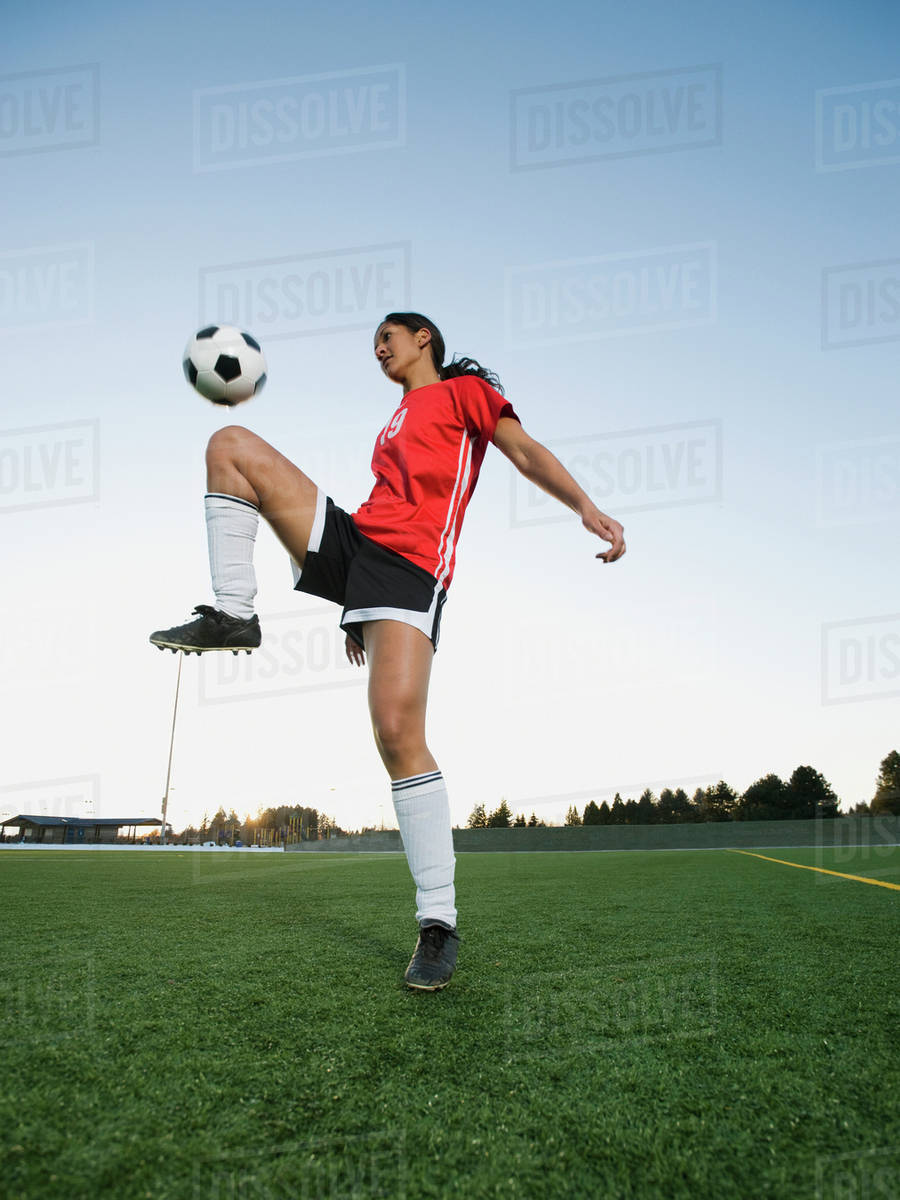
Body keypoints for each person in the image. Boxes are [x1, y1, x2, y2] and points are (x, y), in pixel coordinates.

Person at [150, 312, 626, 991]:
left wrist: (584, 505)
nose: (379, 350)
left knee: (397, 733)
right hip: (357, 547)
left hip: (408, 569)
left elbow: (524, 451)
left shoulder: (465, 395)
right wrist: (354, 609)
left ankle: (438, 924)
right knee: (230, 443)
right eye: (374, 343)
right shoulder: (397, 418)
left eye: (388, 338)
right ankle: (234, 613)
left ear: (423, 339)